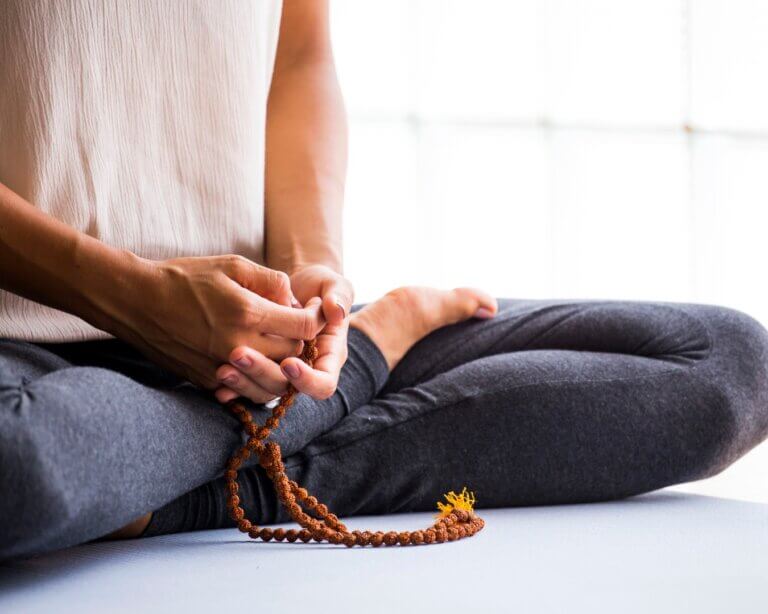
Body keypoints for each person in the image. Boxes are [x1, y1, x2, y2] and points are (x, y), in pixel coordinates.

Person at [1, 0, 767, 562]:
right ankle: (364, 360)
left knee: (727, 363)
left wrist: (313, 276)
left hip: (255, 343)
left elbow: (298, 59)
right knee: (20, 464)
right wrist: (136, 297)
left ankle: (149, 488)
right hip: (19, 343)